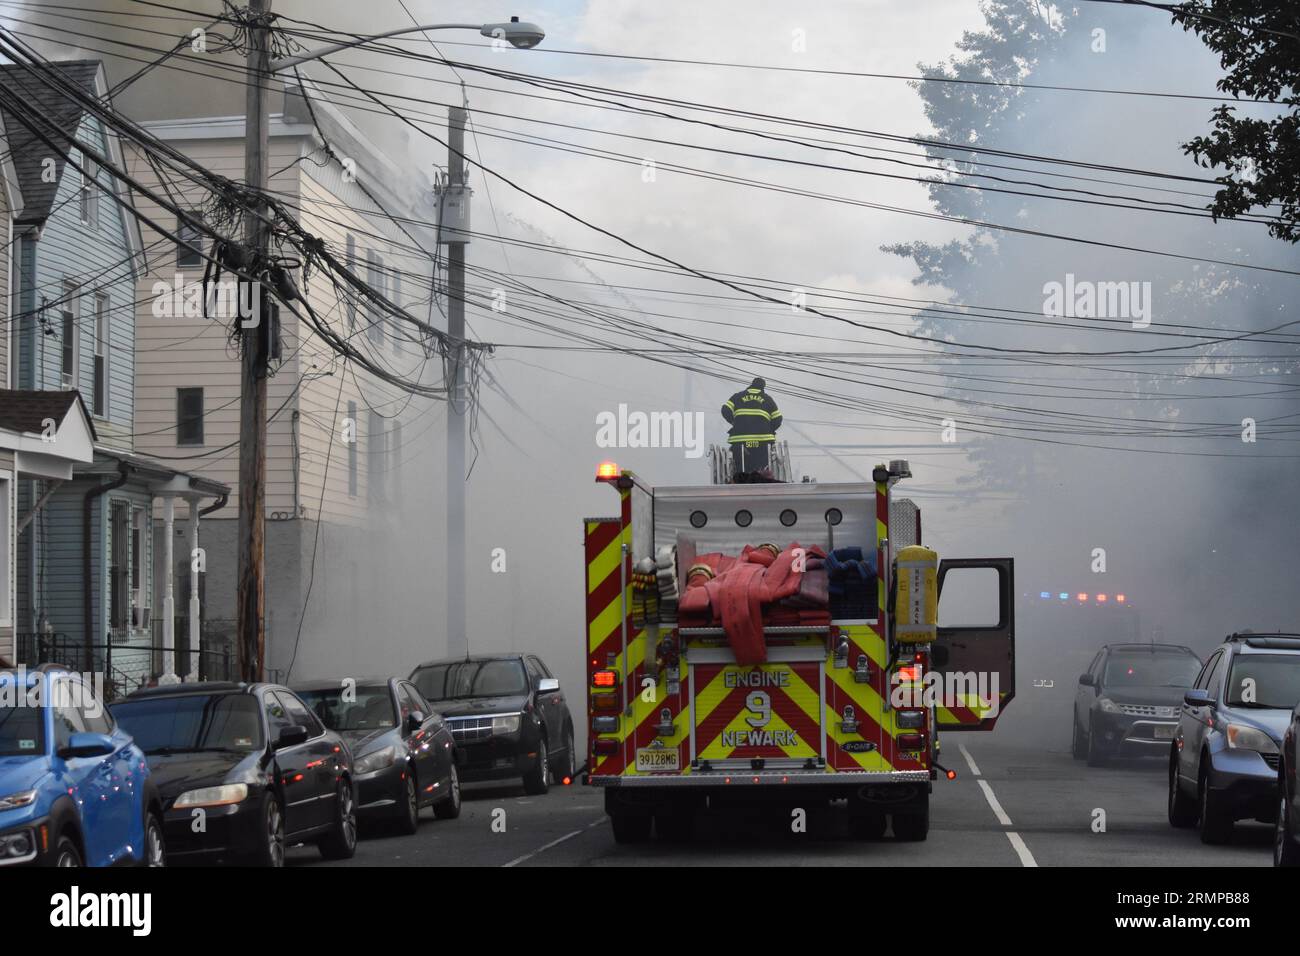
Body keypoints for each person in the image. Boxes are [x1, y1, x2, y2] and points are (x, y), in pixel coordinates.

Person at [721, 377, 782, 475]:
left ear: (751, 385)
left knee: (740, 464)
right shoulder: (767, 399)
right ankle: (761, 475)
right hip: (762, 440)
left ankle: (740, 475)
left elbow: (725, 410)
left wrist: (733, 422)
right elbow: (778, 418)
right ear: (763, 387)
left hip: (740, 440)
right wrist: (769, 429)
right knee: (761, 466)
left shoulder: (737, 396)